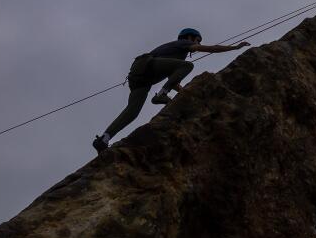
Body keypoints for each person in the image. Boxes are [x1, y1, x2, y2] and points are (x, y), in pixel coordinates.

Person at [92, 28, 249, 154]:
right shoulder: (182, 44)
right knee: (188, 66)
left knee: (132, 112)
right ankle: (161, 94)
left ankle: (104, 139)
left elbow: (173, 80)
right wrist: (235, 47)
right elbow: (210, 49)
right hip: (148, 66)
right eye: (197, 40)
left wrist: (183, 93)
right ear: (189, 37)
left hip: (140, 77)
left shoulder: (173, 57)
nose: (198, 44)